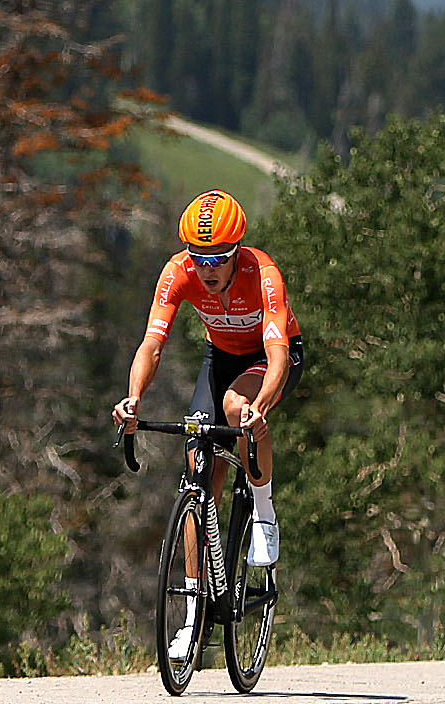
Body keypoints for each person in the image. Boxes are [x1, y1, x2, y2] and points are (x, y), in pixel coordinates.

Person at [112, 188, 304, 662]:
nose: (209, 268)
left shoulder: (264, 274)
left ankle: (263, 509)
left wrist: (260, 405)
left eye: (219, 257)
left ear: (236, 250)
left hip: (271, 357)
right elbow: (151, 345)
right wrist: (134, 399)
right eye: (200, 257)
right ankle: (194, 607)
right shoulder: (178, 273)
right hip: (220, 356)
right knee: (199, 465)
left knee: (237, 406)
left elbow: (278, 353)